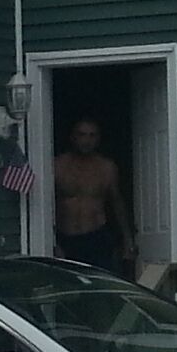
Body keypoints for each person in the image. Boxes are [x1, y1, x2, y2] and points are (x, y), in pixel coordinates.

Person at [52, 117, 135, 278]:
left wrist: (128, 240)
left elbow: (117, 203)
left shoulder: (106, 168)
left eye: (92, 135)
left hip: (96, 237)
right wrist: (52, 241)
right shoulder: (57, 165)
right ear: (73, 137)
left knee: (100, 283)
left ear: (98, 139)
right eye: (82, 135)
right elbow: (47, 206)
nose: (87, 141)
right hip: (65, 237)